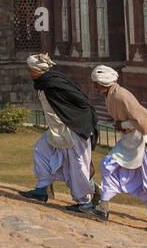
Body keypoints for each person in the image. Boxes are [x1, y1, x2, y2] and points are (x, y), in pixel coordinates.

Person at [80, 65, 147, 233]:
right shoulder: (112, 94)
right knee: (108, 164)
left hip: (145, 146)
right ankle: (103, 207)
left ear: (102, 82)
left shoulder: (121, 95)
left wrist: (123, 124)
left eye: (96, 83)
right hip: (131, 143)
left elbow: (145, 119)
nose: (94, 86)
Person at [19, 53, 101, 210]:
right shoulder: (46, 82)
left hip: (74, 129)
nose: (29, 72)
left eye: (30, 69)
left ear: (36, 70)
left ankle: (85, 202)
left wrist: (75, 120)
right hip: (59, 130)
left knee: (78, 165)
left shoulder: (53, 83)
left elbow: (81, 101)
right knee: (41, 149)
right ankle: (42, 190)